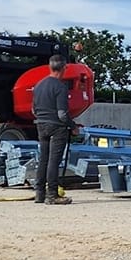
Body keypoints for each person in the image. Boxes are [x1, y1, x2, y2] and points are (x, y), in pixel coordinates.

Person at [30, 54, 76, 204]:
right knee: (53, 161)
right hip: (56, 127)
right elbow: (62, 114)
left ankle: (39, 194)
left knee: (43, 159)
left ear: (50, 67)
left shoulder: (38, 85)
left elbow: (33, 110)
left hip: (41, 125)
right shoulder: (60, 87)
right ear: (64, 68)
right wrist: (73, 126)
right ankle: (52, 195)